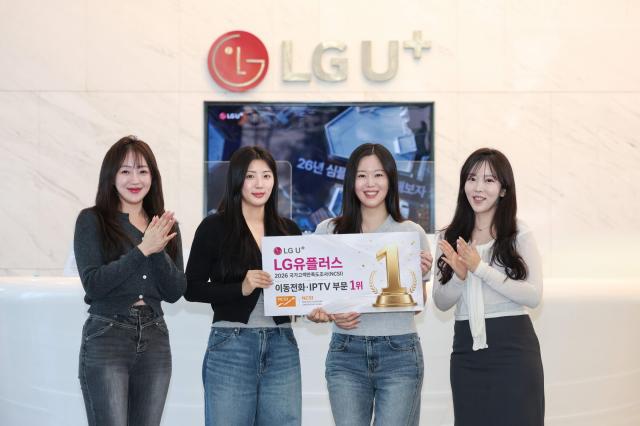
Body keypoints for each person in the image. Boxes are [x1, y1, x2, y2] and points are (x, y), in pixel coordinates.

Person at [308, 143, 432, 426]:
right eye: (362, 175)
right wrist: (322, 314)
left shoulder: (411, 233)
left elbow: (417, 307)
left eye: (378, 175)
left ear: (390, 179)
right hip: (345, 354)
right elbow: (313, 301)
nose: (370, 183)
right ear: (351, 181)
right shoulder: (328, 231)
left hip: (399, 353)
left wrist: (417, 277)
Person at [185, 146, 303, 426]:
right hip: (231, 344)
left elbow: (300, 290)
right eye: (250, 176)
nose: (259, 184)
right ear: (237, 179)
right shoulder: (213, 227)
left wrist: (315, 307)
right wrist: (241, 288)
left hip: (282, 344)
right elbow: (191, 288)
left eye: (266, 175)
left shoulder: (289, 230)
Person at [74, 135, 186, 426]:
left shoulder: (166, 226)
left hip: (155, 336)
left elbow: (175, 291)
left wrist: (157, 248)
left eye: (142, 171)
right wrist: (143, 249)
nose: (134, 179)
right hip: (107, 334)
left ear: (153, 177)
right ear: (111, 176)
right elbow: (94, 284)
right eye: (125, 171)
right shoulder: (92, 220)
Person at [432, 148, 544, 426]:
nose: (478, 188)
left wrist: (480, 268)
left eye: (489, 180)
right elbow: (441, 302)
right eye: (472, 179)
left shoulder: (518, 232)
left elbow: (533, 295)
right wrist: (459, 277)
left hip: (513, 349)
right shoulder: (448, 236)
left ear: (503, 189)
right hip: (465, 353)